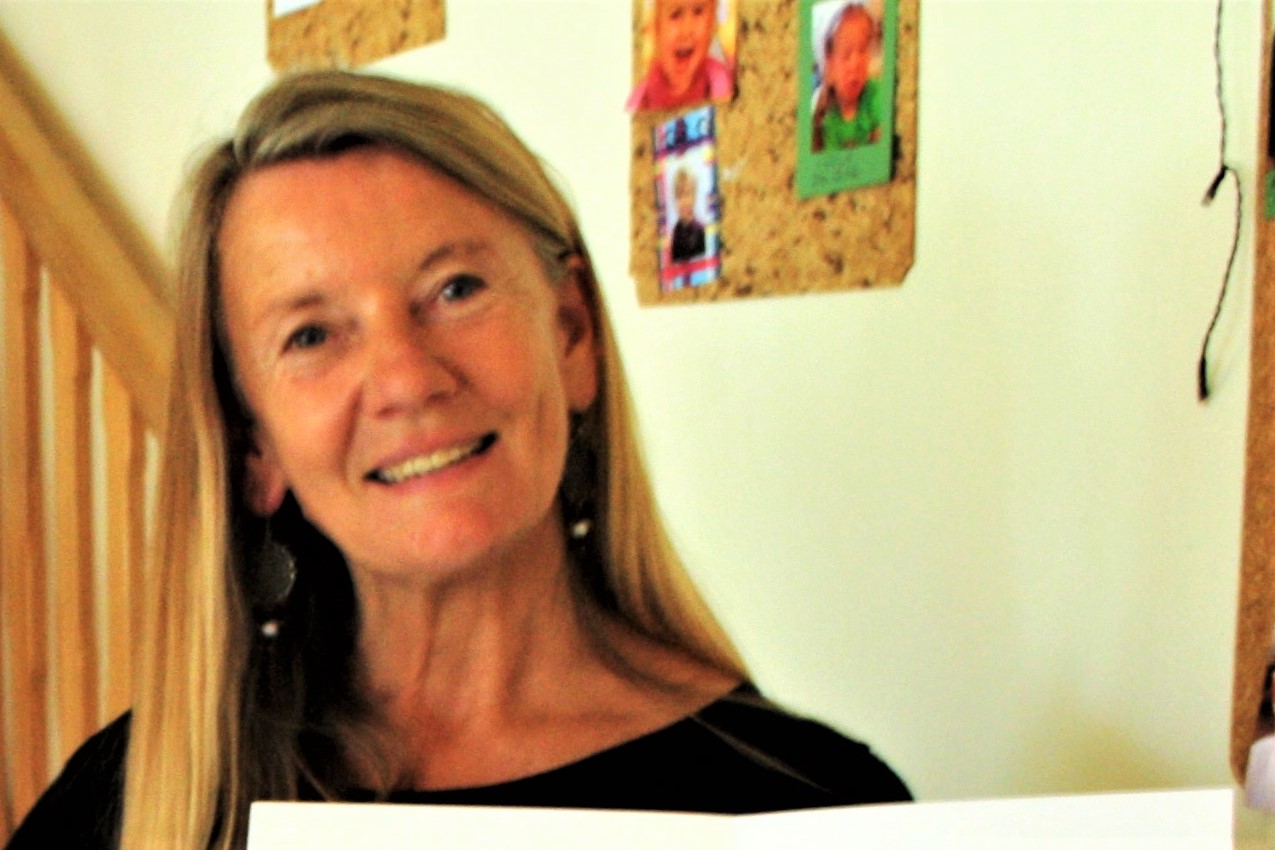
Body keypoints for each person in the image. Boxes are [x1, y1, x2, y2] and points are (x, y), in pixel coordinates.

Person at [5, 71, 909, 850]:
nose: (405, 378)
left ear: (571, 333)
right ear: (255, 449)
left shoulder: (814, 806)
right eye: (311, 334)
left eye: (454, 289)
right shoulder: (142, 803)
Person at [627, 0, 733, 112]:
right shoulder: (641, 99)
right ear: (656, 28)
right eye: (675, 14)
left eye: (698, 12)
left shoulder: (721, 84)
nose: (686, 31)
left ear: (712, 25)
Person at [812, 1, 883, 152]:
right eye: (846, 55)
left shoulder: (874, 92)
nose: (856, 64)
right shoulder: (827, 118)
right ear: (829, 69)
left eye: (862, 50)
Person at [668, 166, 707, 262]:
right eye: (679, 196)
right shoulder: (674, 234)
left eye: (687, 194)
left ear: (694, 196)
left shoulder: (701, 231)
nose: (684, 201)